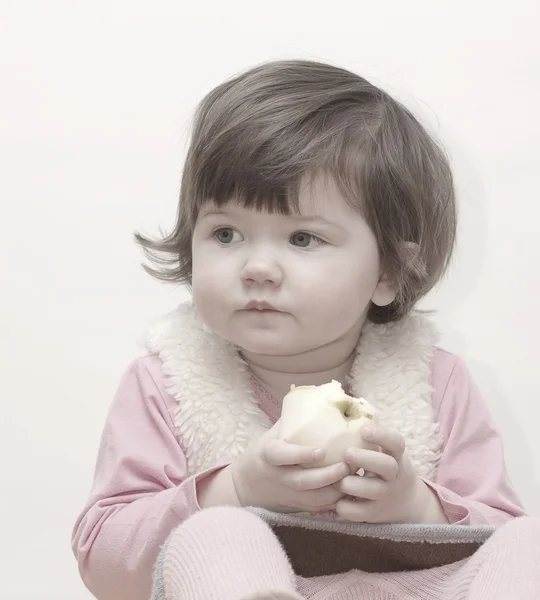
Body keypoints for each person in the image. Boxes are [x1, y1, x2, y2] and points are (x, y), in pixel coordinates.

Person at [72, 59, 539, 600]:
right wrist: (235, 490)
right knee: (218, 533)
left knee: (528, 539)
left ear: (389, 271)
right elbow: (105, 568)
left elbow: (498, 533)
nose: (257, 267)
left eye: (301, 239)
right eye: (226, 233)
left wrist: (415, 506)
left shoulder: (435, 384)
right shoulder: (167, 385)